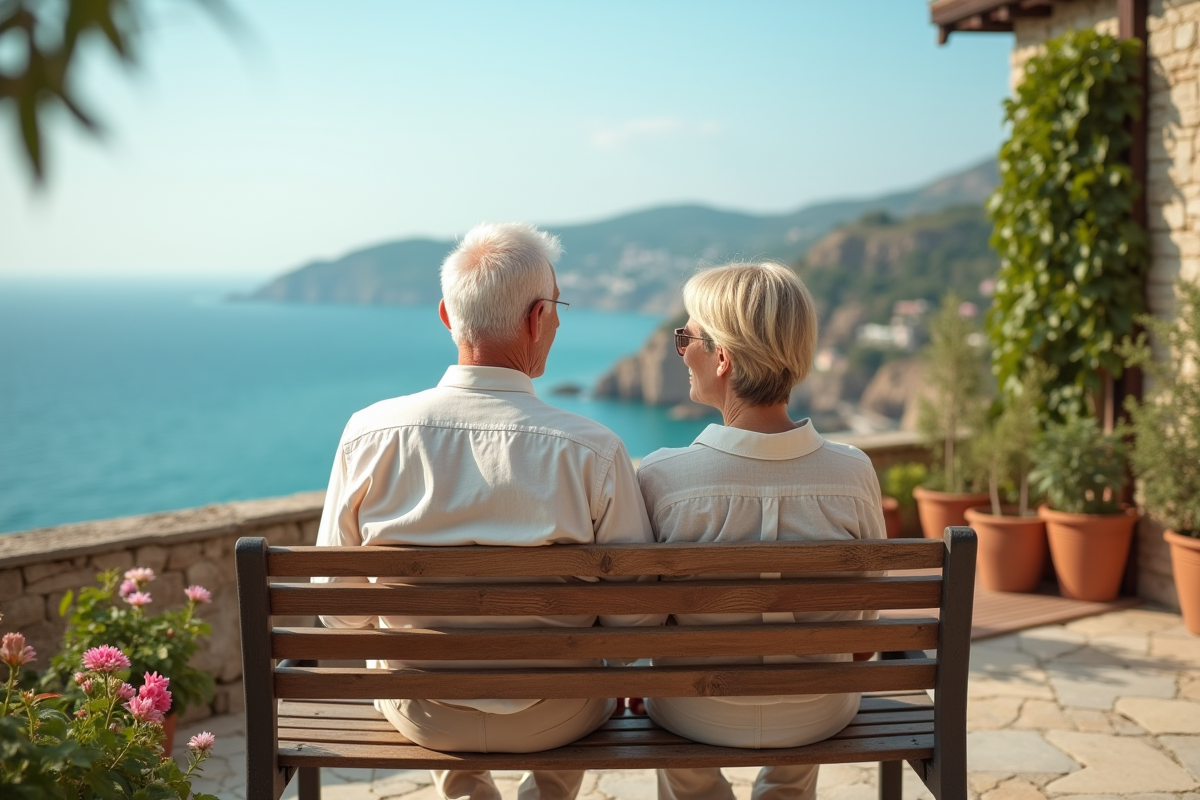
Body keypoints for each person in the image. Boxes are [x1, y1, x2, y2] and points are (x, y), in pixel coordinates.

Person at [314, 222, 662, 800]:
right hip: (554, 715)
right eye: (556, 308)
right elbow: (634, 623)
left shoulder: (368, 435)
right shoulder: (592, 450)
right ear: (536, 319)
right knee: (589, 676)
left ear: (448, 317)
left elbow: (339, 610)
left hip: (423, 713)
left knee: (404, 668)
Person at [636, 262, 887, 800]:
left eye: (688, 337)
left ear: (722, 358)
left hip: (694, 708)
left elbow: (640, 622)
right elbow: (864, 636)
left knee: (669, 686)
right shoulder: (852, 473)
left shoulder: (662, 477)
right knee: (809, 691)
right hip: (820, 709)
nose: (682, 350)